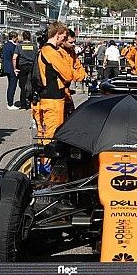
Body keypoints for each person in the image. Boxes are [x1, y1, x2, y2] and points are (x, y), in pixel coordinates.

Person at [33, 22, 74, 173]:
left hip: (47, 97)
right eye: (63, 37)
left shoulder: (44, 50)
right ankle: (46, 164)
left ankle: (45, 162)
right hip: (53, 99)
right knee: (52, 133)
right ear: (57, 34)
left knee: (46, 132)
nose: (64, 41)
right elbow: (68, 74)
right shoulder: (51, 52)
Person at [61, 28, 87, 118]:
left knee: (71, 114)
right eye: (71, 42)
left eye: (74, 42)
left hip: (66, 90)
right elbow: (66, 71)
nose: (73, 44)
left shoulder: (71, 52)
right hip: (57, 90)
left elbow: (78, 65)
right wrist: (79, 76)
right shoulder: (57, 52)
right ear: (63, 41)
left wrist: (84, 76)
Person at [12, 30, 38, 110]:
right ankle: (31, 102)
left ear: (23, 37)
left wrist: (15, 68)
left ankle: (23, 104)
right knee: (32, 84)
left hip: (22, 66)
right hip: (32, 66)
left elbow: (14, 58)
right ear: (30, 37)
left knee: (22, 86)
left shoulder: (19, 46)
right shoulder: (34, 46)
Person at [2, 31, 19, 109]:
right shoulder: (13, 47)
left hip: (6, 67)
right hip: (12, 68)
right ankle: (10, 104)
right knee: (12, 86)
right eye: (16, 37)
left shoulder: (5, 45)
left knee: (9, 86)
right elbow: (14, 57)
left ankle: (9, 102)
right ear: (13, 37)